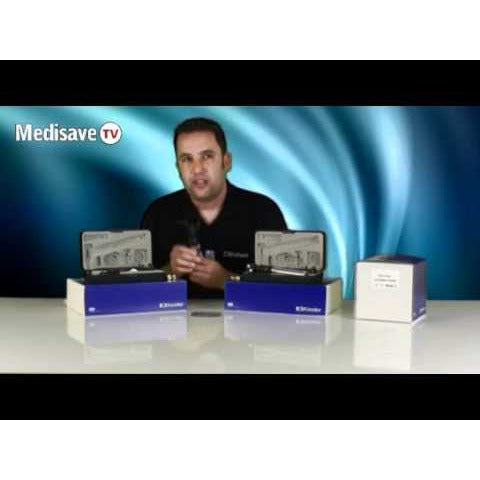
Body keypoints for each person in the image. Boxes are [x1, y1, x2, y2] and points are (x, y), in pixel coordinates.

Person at [141, 117, 287, 298]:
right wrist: (171, 270)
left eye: (207, 156)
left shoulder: (264, 211)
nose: (197, 169)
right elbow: (139, 294)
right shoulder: (157, 213)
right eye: (187, 159)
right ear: (178, 168)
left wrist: (226, 280)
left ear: (226, 162)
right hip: (173, 316)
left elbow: (284, 292)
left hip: (246, 316)